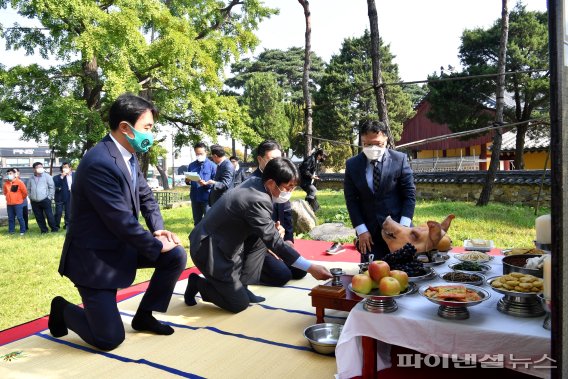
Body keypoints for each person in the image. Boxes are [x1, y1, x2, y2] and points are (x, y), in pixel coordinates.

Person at [48, 93, 187, 351]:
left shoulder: (128, 155)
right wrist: (155, 246)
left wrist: (158, 229)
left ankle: (145, 315)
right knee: (109, 339)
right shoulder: (99, 162)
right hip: (96, 261)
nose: (151, 134)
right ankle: (62, 309)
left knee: (176, 255)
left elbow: (145, 195)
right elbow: (120, 219)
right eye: (147, 128)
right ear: (125, 127)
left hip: (120, 247)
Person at [184, 157, 332, 313]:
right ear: (270, 183)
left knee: (264, 238)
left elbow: (263, 230)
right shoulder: (257, 199)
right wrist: (310, 267)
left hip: (226, 241)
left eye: (293, 188)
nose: (290, 192)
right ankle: (197, 283)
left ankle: (243, 286)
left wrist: (271, 229)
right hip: (208, 249)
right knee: (238, 304)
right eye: (288, 187)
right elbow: (274, 241)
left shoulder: (257, 183)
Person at [344, 120, 416, 262]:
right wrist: (361, 230)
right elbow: (351, 200)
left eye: (377, 144)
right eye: (367, 144)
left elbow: (409, 196)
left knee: (404, 272)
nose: (372, 148)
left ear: (386, 139)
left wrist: (403, 228)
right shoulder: (352, 165)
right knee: (371, 274)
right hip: (369, 233)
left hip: (398, 227)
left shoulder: (399, 160)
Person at [251, 140, 307, 286]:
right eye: (271, 160)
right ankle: (243, 272)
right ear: (260, 159)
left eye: (278, 158)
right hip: (256, 244)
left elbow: (286, 212)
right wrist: (270, 246)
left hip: (277, 239)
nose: (276, 163)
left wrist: (288, 240)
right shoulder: (252, 184)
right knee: (282, 275)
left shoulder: (282, 179)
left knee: (301, 270)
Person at [186, 142, 216, 226]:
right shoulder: (191, 165)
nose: (199, 155)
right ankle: (197, 239)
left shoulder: (212, 166)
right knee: (197, 222)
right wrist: (187, 180)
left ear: (206, 152)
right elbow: (188, 181)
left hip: (207, 198)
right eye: (197, 154)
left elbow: (216, 183)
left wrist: (206, 184)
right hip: (195, 197)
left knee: (209, 222)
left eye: (201, 153)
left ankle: (209, 239)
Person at [27, 162, 58, 233]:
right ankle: (44, 230)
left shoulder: (47, 176)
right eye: (38, 167)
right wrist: (30, 197)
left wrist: (49, 197)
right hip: (34, 201)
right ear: (34, 169)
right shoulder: (31, 178)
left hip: (45, 199)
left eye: (41, 167)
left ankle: (54, 229)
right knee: (39, 217)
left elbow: (52, 187)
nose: (40, 168)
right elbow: (28, 189)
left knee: (49, 215)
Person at [3, 168, 28, 235]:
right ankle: (11, 231)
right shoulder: (6, 184)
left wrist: (20, 199)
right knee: (11, 218)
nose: (9, 175)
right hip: (9, 204)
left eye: (10, 173)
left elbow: (25, 192)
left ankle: (23, 230)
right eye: (8, 174)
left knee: (20, 217)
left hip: (18, 204)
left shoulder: (19, 182)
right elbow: (5, 192)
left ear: (14, 174)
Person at [53, 162, 74, 230]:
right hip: (60, 197)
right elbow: (56, 186)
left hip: (70, 196)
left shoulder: (75, 175)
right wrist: (62, 177)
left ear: (70, 168)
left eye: (66, 167)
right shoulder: (56, 177)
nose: (64, 168)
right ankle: (56, 226)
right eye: (63, 167)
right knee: (58, 212)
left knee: (68, 212)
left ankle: (67, 225)